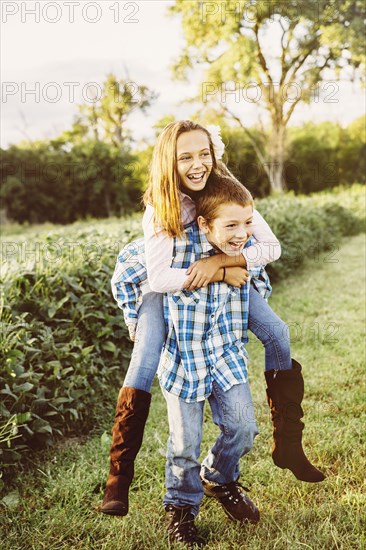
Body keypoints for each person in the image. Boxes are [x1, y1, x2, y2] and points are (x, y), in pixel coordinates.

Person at [100, 120, 324, 518]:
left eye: (204, 153)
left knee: (276, 331)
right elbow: (160, 277)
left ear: (214, 154)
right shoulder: (161, 206)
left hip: (221, 274)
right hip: (163, 280)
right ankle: (124, 475)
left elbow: (270, 247)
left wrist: (222, 259)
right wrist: (219, 270)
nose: (198, 164)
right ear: (170, 161)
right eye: (186, 156)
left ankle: (285, 442)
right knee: (147, 352)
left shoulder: (224, 189)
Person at [161, 176, 265, 546]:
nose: (242, 233)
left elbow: (261, 281)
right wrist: (132, 320)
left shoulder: (248, 248)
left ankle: (219, 478)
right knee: (184, 443)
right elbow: (127, 275)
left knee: (243, 428)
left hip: (225, 354)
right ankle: (181, 508)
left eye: (248, 222)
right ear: (205, 224)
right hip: (183, 358)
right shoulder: (174, 245)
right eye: (232, 225)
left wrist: (236, 267)